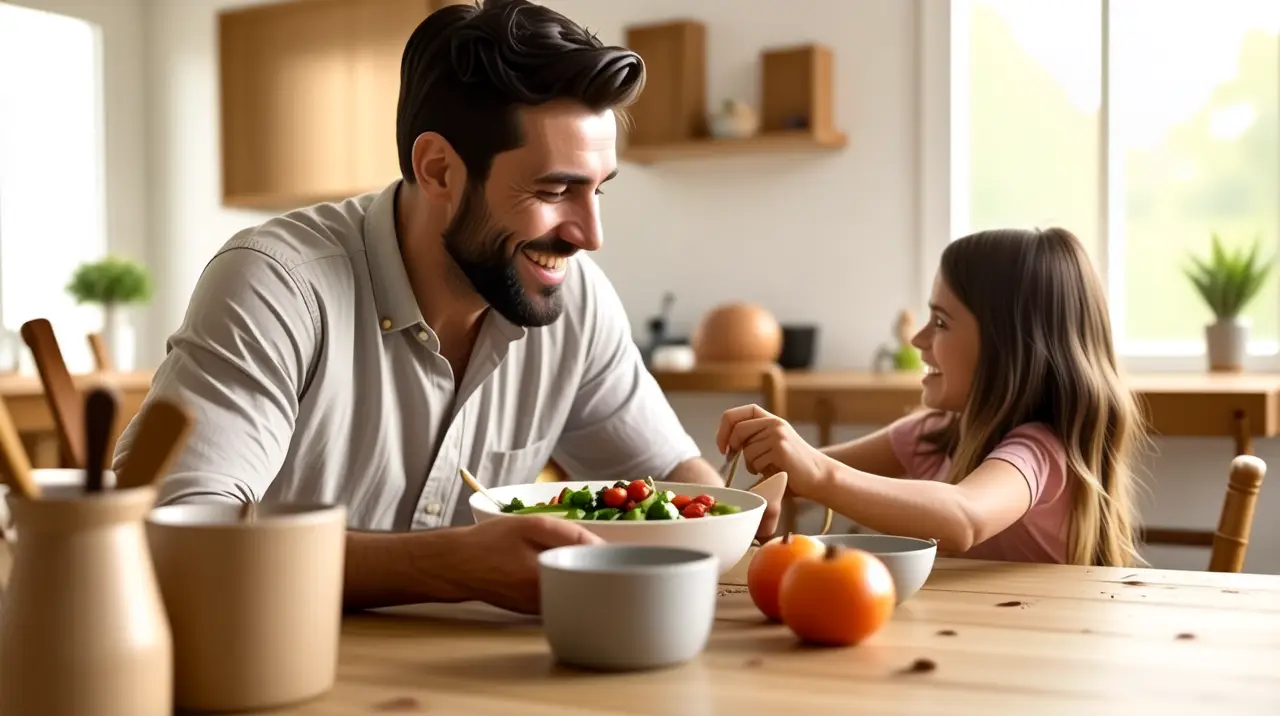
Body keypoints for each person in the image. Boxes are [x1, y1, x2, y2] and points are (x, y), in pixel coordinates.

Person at [111, 0, 732, 614]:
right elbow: (179, 537)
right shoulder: (278, 285)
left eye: (597, 190)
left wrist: (754, 502)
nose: (589, 234)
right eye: (553, 190)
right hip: (272, 660)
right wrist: (447, 566)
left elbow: (677, 488)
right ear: (438, 170)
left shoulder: (577, 300)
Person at [717, 228, 1147, 567]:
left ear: (1005, 346)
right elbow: (802, 473)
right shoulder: (933, 433)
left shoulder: (1040, 450)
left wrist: (817, 473)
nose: (919, 339)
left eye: (940, 322)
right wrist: (771, 475)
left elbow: (964, 518)